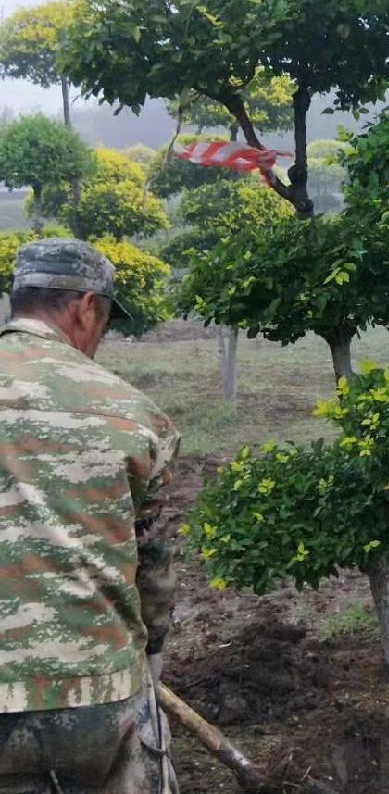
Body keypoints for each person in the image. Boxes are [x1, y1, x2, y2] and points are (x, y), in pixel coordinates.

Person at [0, 238, 179, 793]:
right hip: (95, 698)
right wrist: (149, 662)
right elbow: (152, 569)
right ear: (86, 307)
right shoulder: (136, 414)